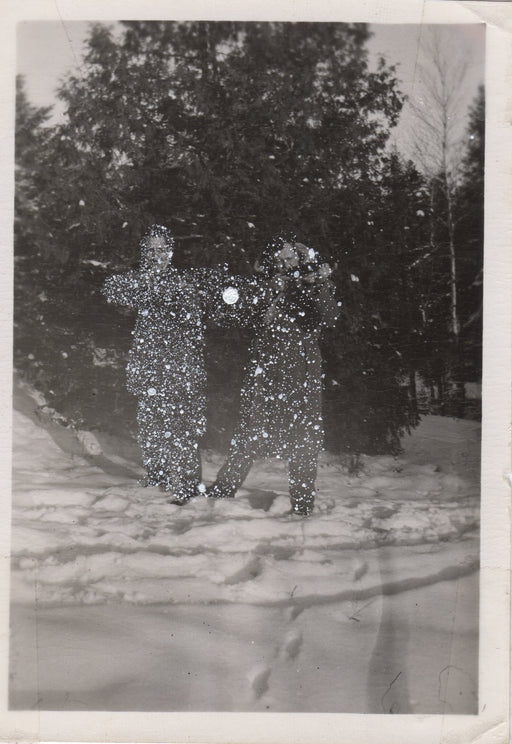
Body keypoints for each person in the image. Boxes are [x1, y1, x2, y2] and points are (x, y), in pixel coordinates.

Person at [102, 224, 247, 505]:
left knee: (182, 429)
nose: (157, 255)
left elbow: (205, 311)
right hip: (150, 369)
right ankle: (157, 476)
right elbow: (112, 289)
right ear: (144, 253)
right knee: (151, 426)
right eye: (151, 250)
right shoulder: (140, 281)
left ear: (171, 251)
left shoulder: (185, 282)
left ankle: (188, 488)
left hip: (180, 371)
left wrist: (168, 290)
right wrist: (149, 284)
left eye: (162, 249)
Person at [206, 235, 339, 516]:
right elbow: (236, 309)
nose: (284, 264)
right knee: (248, 432)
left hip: (302, 373)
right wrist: (270, 291)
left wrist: (320, 285)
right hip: (265, 371)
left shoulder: (312, 285)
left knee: (303, 440)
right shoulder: (265, 286)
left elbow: (329, 317)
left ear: (300, 259)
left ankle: (303, 505)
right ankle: (221, 493)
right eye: (278, 260)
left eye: (289, 259)